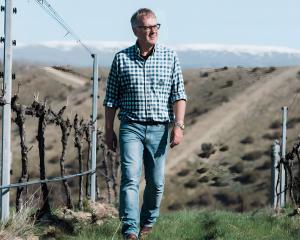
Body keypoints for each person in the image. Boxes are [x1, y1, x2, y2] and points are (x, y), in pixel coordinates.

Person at [103, 8, 187, 240]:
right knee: (130, 177)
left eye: (155, 26)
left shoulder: (170, 57)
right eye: (147, 27)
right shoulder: (121, 59)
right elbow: (111, 99)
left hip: (160, 128)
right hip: (131, 126)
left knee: (156, 183)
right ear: (135, 30)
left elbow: (178, 94)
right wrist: (108, 130)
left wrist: (178, 126)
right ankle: (130, 230)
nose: (152, 31)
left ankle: (147, 223)